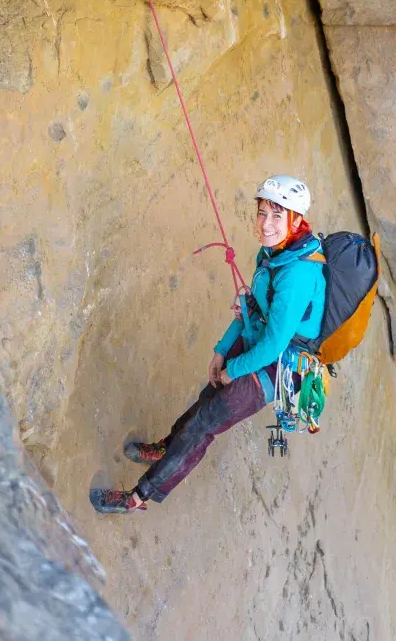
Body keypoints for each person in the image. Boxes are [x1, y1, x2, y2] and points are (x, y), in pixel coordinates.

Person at [90, 175, 326, 513]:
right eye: (262, 213)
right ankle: (165, 448)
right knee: (206, 399)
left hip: (274, 370)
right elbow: (253, 307)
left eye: (278, 215)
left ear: (297, 221)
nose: (267, 224)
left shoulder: (297, 274)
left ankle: (135, 498)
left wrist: (233, 370)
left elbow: (274, 346)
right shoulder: (276, 253)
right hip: (255, 343)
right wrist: (221, 348)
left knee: (205, 425)